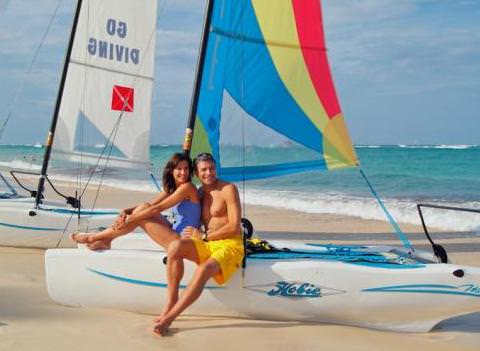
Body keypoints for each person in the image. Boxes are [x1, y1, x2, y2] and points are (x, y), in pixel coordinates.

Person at [153, 152, 244, 336]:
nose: (209, 173)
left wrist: (203, 236)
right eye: (204, 170)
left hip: (229, 244)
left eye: (211, 168)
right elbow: (175, 197)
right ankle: (171, 301)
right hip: (208, 242)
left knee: (203, 270)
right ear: (196, 173)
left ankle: (169, 318)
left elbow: (234, 227)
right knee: (175, 247)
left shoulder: (229, 189)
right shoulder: (200, 192)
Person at [70, 152, 200, 250]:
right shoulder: (173, 188)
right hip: (173, 231)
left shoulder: (187, 187)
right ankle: (106, 240)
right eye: (179, 168)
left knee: (142, 216)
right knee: (144, 206)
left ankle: (95, 237)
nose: (183, 172)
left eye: (186, 169)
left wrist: (130, 219)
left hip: (182, 241)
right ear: (172, 171)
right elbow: (151, 205)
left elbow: (157, 209)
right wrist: (126, 211)